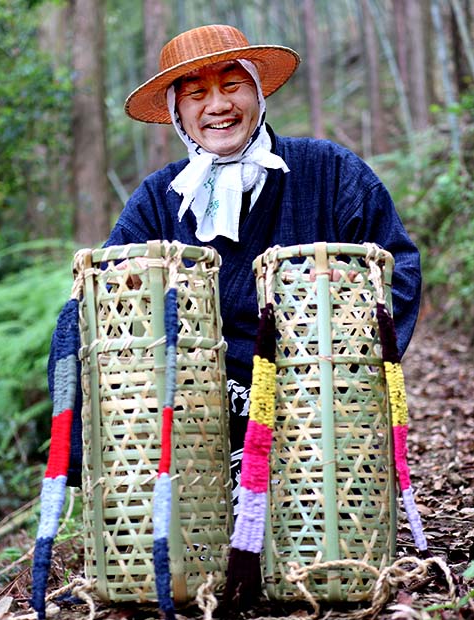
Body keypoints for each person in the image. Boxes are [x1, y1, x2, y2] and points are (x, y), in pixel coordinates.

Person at [105, 24, 422, 493]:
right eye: (196, 94)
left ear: (257, 92)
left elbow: (398, 270)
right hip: (199, 431)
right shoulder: (158, 199)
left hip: (323, 419)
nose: (217, 106)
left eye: (232, 86)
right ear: (177, 112)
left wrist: (341, 334)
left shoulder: (330, 170)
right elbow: (110, 297)